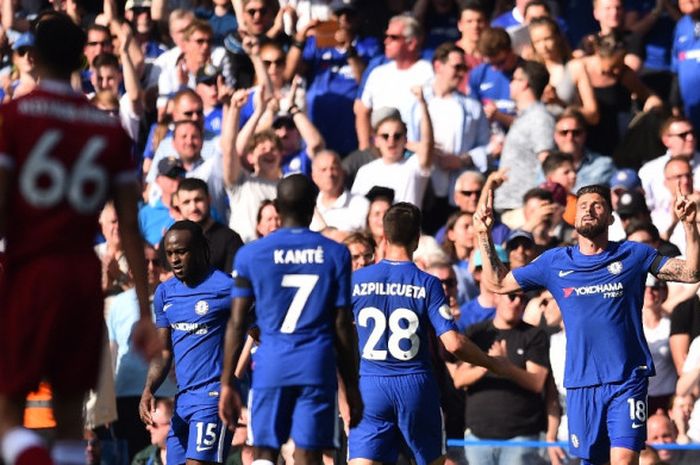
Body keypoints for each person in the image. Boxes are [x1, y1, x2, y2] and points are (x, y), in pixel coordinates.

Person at [0, 12, 158, 465]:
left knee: (9, 409)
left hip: (30, 268)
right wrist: (144, 312)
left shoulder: (12, 117)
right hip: (81, 274)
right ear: (80, 62)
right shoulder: (107, 129)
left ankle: (31, 458)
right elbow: (130, 226)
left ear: (35, 57)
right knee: (72, 417)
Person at [474, 182, 700, 465]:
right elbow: (498, 283)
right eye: (583, 206)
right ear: (574, 217)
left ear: (610, 217)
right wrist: (483, 233)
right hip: (582, 383)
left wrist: (690, 226)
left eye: (597, 205)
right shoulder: (554, 262)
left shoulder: (634, 254)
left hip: (627, 378)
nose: (589, 210)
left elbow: (691, 273)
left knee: (624, 460)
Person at [347, 202, 511, 465]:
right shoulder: (428, 283)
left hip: (371, 386)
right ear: (416, 239)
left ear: (384, 237)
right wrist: (493, 363)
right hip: (416, 386)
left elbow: (333, 331)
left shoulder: (356, 281)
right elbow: (453, 343)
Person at [219, 174, 364, 465]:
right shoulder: (336, 254)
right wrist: (351, 386)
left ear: (278, 207)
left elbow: (236, 323)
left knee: (264, 451)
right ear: (313, 207)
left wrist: (227, 383)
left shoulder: (251, 254)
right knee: (309, 452)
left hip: (271, 361)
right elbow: (342, 326)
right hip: (315, 363)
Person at [139, 221, 234, 464]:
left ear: (202, 249)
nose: (175, 259)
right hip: (183, 400)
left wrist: (235, 377)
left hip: (212, 396)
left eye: (182, 251)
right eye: (170, 253)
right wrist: (149, 388)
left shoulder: (225, 287)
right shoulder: (165, 293)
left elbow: (256, 325)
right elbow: (163, 352)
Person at [132, 398, 173, 465]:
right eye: (148, 423)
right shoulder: (142, 459)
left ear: (171, 425)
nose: (148, 427)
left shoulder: (191, 457)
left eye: (154, 424)